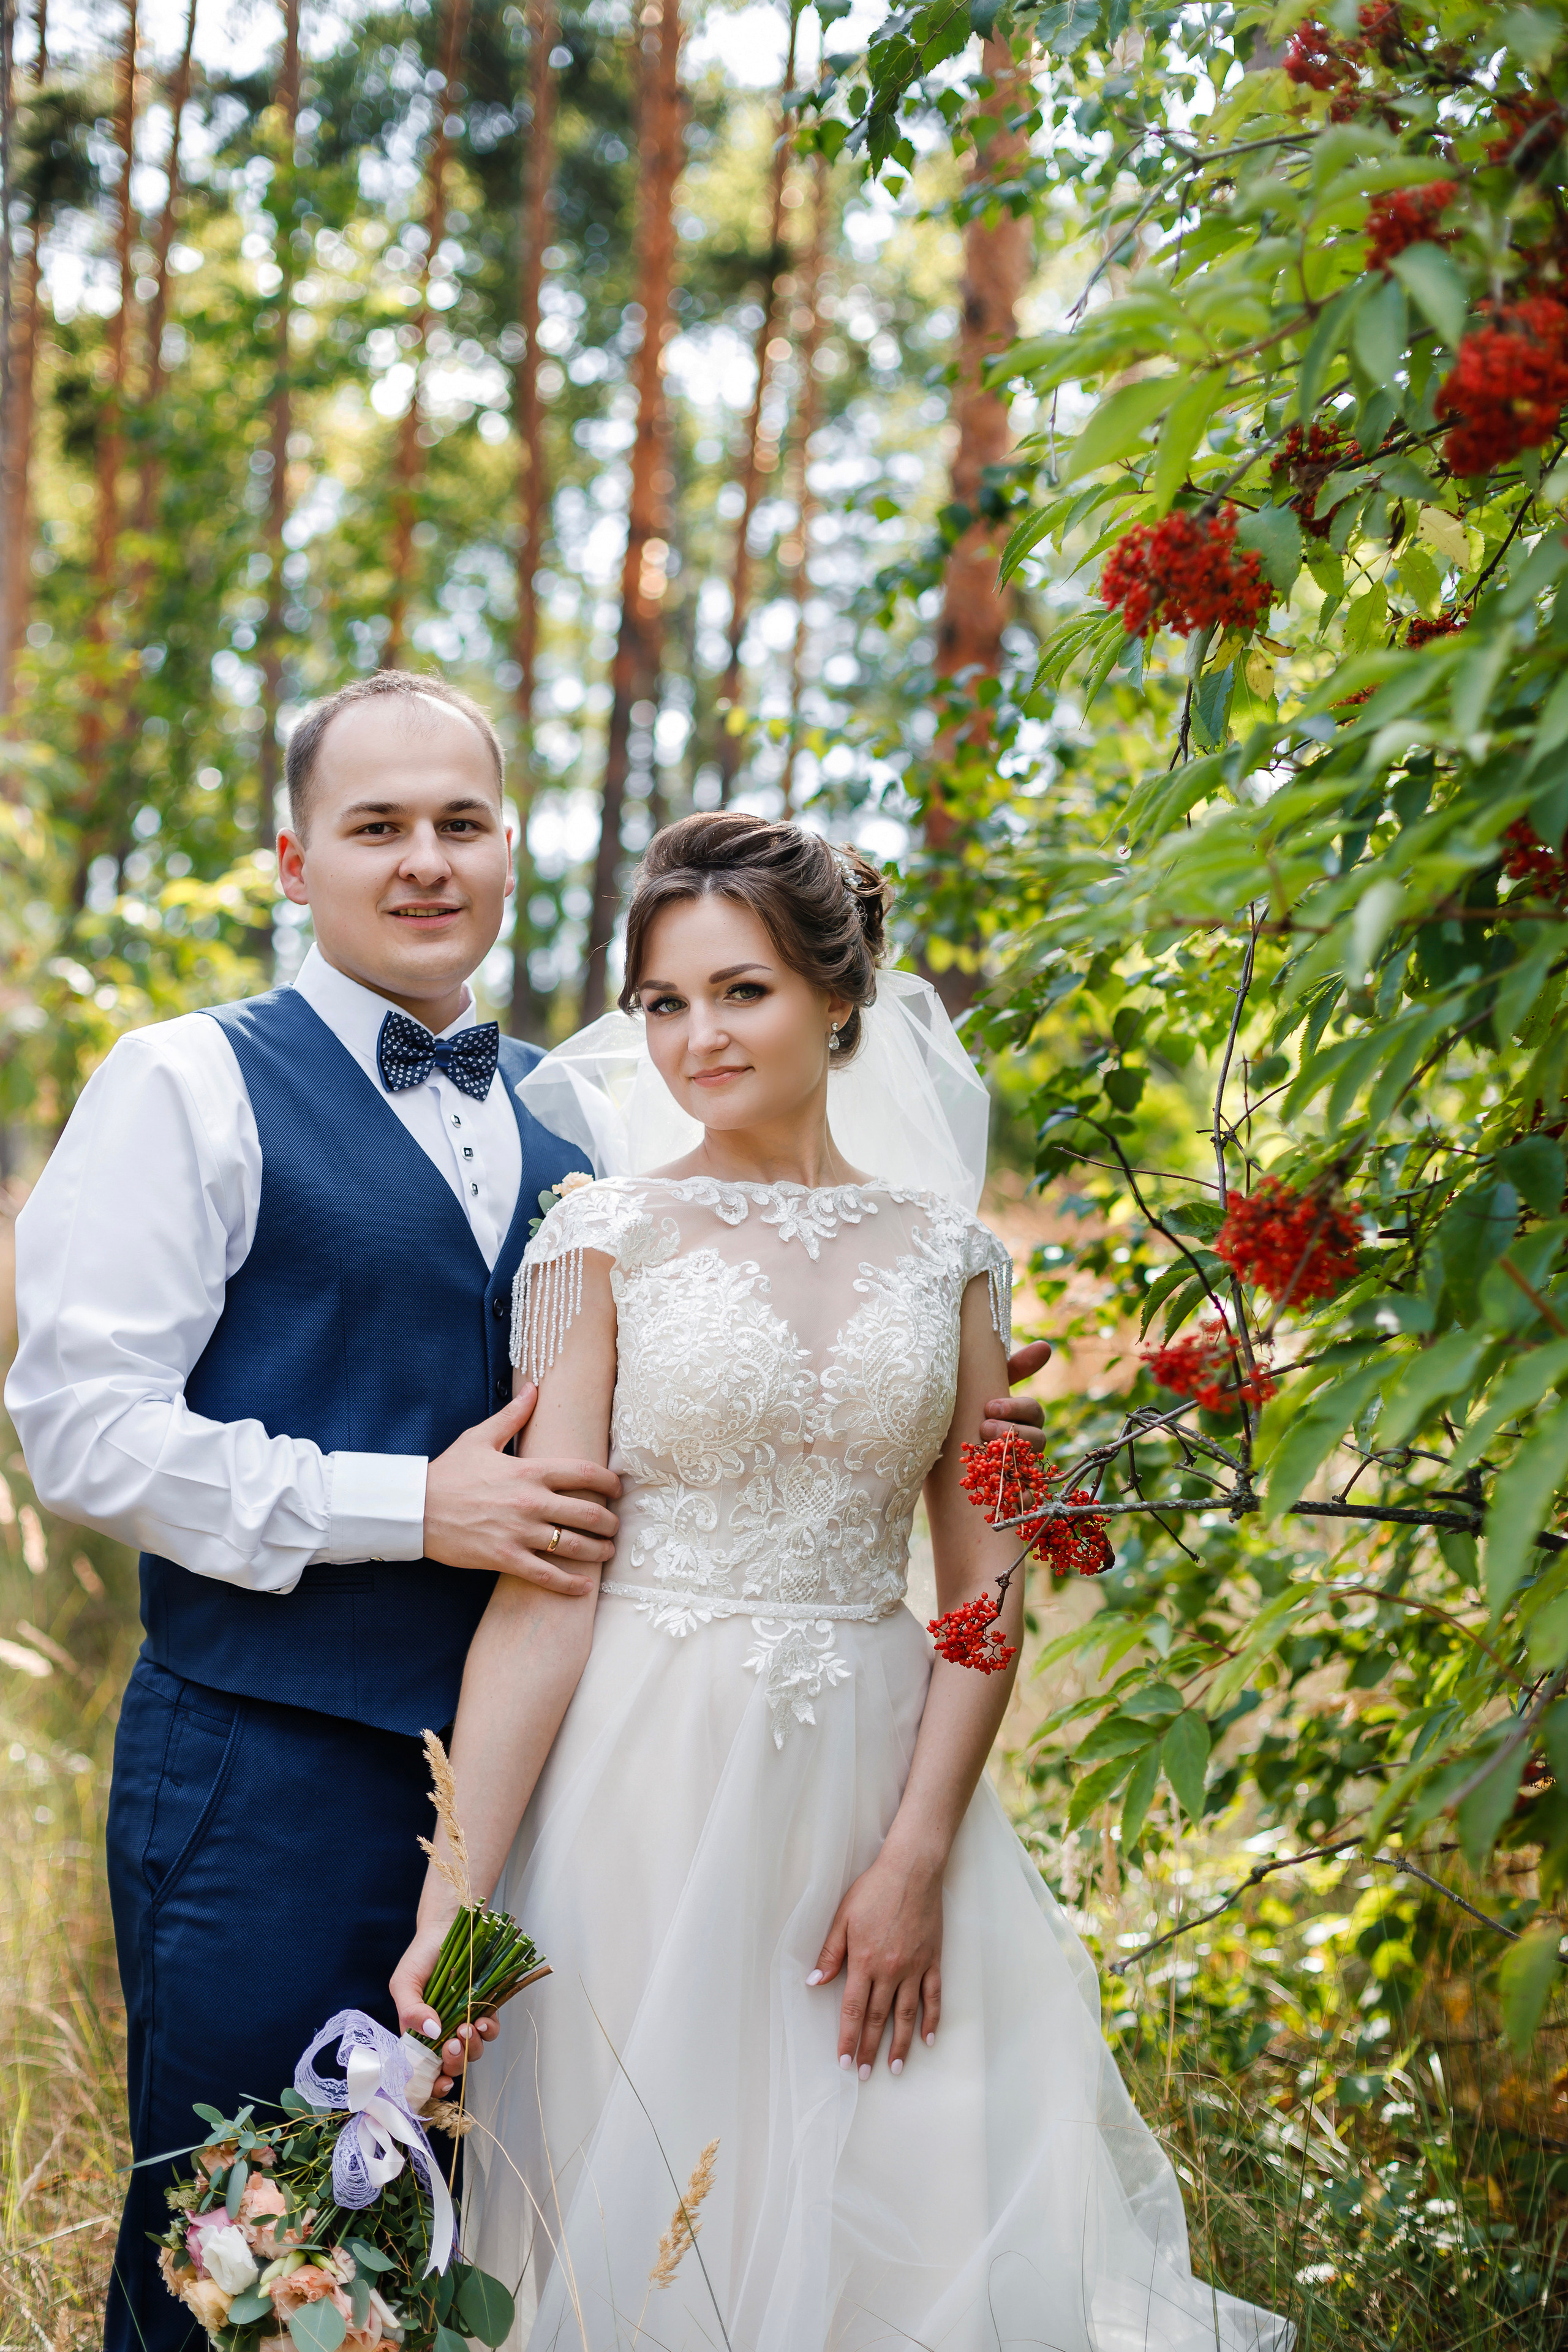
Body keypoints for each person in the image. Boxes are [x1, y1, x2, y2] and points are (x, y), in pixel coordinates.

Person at [5, 675, 1047, 2352]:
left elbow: (770, 1352)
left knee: (478, 2262)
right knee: (237, 2256)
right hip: (273, 1766)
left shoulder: (580, 1127)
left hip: (581, 1795)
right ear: (294, 858)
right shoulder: (184, 1081)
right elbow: (83, 1434)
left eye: (462, 822)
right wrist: (418, 1505)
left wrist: (910, 1374)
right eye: (376, 827)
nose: (426, 861)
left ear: (509, 846)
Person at [390, 813, 1289, 2352]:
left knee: (907, 2219)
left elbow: (983, 1591)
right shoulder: (595, 1240)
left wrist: (913, 1860)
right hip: (640, 1791)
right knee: (660, 2236)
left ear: (836, 994)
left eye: (738, 992)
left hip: (877, 1785)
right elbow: (544, 1593)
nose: (691, 1039)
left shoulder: (947, 1256)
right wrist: (449, 1908)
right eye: (662, 1002)